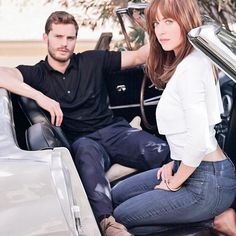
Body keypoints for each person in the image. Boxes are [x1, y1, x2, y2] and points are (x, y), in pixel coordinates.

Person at [0, 11, 170, 236]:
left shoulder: (93, 59)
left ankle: (186, 198)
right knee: (86, 159)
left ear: (75, 40)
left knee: (162, 150)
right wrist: (40, 96)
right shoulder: (36, 74)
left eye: (70, 38)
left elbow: (139, 57)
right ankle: (108, 224)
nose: (64, 44)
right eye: (58, 37)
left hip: (114, 131)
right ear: (46, 37)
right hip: (83, 141)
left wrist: (156, 29)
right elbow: (2, 74)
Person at [111, 0, 236, 235]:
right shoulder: (191, 61)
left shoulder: (191, 68)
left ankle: (215, 222)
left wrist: (175, 182)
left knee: (122, 217)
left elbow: (200, 139)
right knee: (117, 194)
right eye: (157, 23)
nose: (160, 31)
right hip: (190, 166)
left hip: (208, 182)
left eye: (169, 21)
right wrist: (175, 162)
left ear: (186, 21)